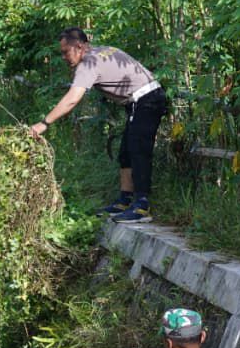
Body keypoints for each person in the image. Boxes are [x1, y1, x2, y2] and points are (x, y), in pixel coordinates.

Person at [29, 27, 167, 224]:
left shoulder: (88, 63)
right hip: (144, 99)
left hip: (147, 100)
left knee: (138, 150)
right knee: (126, 152)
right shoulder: (101, 51)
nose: (63, 57)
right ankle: (125, 200)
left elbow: (72, 99)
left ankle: (142, 206)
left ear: (79, 47)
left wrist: (44, 123)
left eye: (65, 52)